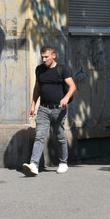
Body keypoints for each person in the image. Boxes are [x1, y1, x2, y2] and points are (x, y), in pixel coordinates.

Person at [22, 45, 76, 176]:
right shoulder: (39, 70)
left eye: (46, 57)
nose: (44, 59)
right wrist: (33, 105)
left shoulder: (62, 69)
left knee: (60, 136)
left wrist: (66, 98)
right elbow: (37, 88)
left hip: (59, 109)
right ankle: (34, 165)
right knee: (39, 136)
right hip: (43, 109)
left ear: (53, 55)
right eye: (42, 57)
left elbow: (72, 86)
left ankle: (63, 162)